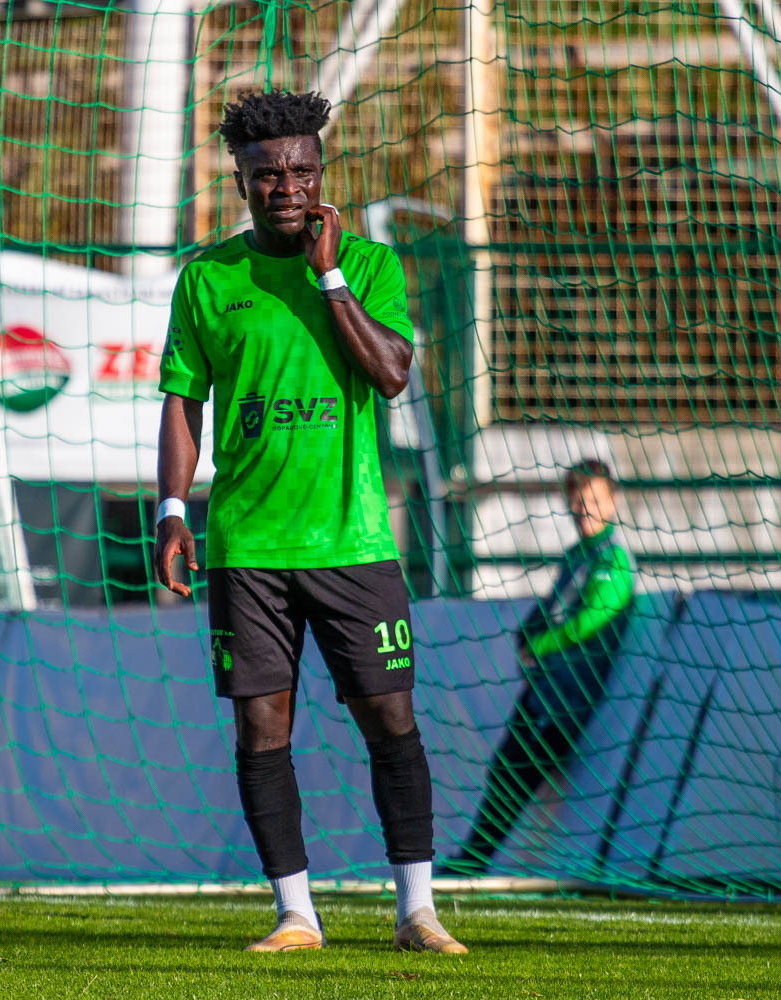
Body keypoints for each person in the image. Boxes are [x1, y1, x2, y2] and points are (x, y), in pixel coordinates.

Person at [153, 90, 466, 955]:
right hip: (248, 547)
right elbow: (182, 400)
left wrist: (328, 279)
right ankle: (295, 915)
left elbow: (392, 374)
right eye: (267, 174)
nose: (285, 187)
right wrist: (173, 511)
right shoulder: (208, 279)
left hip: (351, 543)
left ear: (321, 174)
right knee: (261, 729)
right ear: (240, 180)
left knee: (389, 719)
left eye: (300, 171)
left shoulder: (367, 265)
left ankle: (417, 913)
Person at [447, 459, 637, 873]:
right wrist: (527, 634)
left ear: (612, 503)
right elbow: (552, 608)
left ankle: (475, 862)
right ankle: (472, 859)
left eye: (594, 500)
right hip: (546, 692)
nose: (584, 509)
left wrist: (540, 645)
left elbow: (590, 620)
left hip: (570, 700)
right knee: (504, 769)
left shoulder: (612, 560)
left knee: (517, 771)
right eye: (578, 499)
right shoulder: (577, 555)